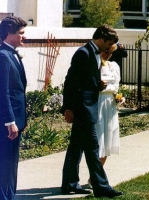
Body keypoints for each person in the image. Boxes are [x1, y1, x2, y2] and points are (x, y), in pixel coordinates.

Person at [60, 25, 123, 198]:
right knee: (93, 149)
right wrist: (69, 108)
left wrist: (97, 85)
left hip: (87, 108)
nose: (108, 48)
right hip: (83, 109)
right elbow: (71, 82)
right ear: (101, 38)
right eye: (108, 43)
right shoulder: (84, 53)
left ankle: (69, 184)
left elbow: (86, 81)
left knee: (76, 148)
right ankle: (101, 187)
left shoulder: (92, 53)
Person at [0, 16, 27, 200]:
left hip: (16, 121)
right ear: (10, 34)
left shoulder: (12, 54)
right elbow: (4, 92)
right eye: (21, 33)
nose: (24, 37)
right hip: (8, 123)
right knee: (5, 164)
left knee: (11, 165)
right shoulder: (3, 56)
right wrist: (10, 121)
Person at [88, 44, 121, 187]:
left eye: (111, 52)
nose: (108, 54)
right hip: (97, 103)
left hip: (110, 106)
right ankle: (95, 175)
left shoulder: (114, 66)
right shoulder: (93, 65)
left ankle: (96, 176)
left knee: (108, 139)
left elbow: (116, 87)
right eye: (105, 51)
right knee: (98, 139)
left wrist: (119, 97)